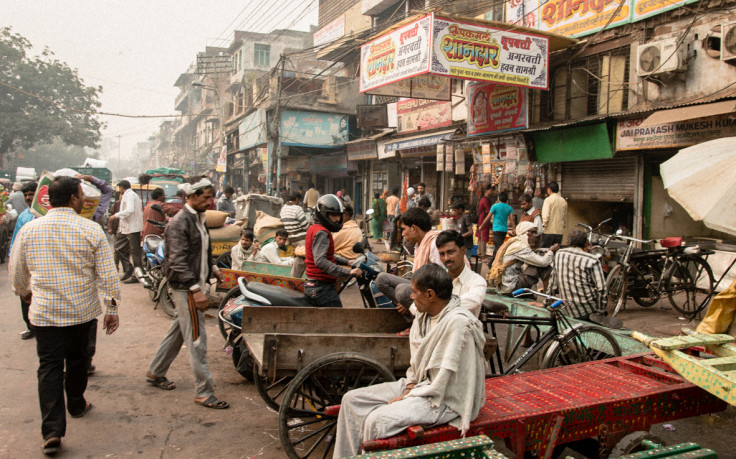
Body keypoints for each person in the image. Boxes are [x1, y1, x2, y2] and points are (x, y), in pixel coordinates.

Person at [9, 176, 120, 456]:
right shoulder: (91, 230)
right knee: (78, 360)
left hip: (44, 314)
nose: (84, 199)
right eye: (82, 194)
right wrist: (112, 309)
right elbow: (108, 275)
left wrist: (23, 291)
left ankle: (52, 431)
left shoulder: (30, 229)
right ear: (73, 198)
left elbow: (17, 269)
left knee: (49, 368)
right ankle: (76, 403)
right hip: (81, 312)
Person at [333, 264, 486, 458]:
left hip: (445, 398)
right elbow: (417, 363)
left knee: (376, 420)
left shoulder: (458, 324)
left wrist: (407, 397)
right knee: (351, 400)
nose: (411, 297)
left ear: (429, 294)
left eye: (414, 292)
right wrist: (409, 388)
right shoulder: (424, 314)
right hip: (421, 385)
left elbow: (441, 383)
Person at [146, 178, 229, 410]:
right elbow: (177, 260)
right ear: (190, 197)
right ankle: (204, 392)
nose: (210, 201)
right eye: (205, 197)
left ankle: (155, 371)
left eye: (211, 197)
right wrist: (195, 289)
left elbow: (201, 249)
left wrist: (213, 268)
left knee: (179, 331)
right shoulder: (180, 222)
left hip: (193, 283)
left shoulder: (198, 219)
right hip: (185, 287)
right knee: (196, 339)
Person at [376, 207, 442, 310]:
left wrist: (415, 297)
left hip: (433, 292)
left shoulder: (434, 244)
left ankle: (415, 311)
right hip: (421, 286)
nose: (402, 234)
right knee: (381, 279)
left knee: (402, 290)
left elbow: (440, 281)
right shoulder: (419, 245)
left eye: (404, 229)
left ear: (414, 229)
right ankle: (409, 307)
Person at [304, 194, 362, 308]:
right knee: (337, 320)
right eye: (333, 215)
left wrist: (347, 262)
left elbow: (327, 255)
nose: (337, 219)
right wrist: (348, 272)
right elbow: (320, 261)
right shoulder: (322, 233)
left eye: (339, 216)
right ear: (323, 214)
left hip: (315, 284)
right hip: (321, 288)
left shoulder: (314, 228)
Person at [488, 221, 559, 295]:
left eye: (535, 233)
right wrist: (551, 251)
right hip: (510, 287)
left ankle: (549, 292)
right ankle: (548, 295)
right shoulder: (521, 246)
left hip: (505, 285)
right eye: (532, 232)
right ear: (525, 233)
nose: (535, 235)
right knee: (542, 266)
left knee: (538, 263)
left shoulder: (514, 242)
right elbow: (543, 262)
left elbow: (530, 254)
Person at [548, 229, 606, 320]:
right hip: (587, 310)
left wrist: (546, 302)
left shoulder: (559, 254)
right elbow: (602, 289)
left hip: (566, 308)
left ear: (567, 243)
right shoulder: (592, 259)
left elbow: (553, 284)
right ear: (586, 244)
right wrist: (600, 311)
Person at [433, 230, 487, 317]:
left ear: (463, 250)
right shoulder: (436, 279)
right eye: (442, 254)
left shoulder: (477, 282)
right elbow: (416, 306)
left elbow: (470, 302)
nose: (446, 258)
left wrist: (433, 307)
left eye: (450, 252)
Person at [9, 181, 37, 340]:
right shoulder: (24, 216)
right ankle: (30, 327)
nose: (28, 197)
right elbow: (15, 239)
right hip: (24, 262)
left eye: (31, 194)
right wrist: (12, 259)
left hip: (40, 262)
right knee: (24, 294)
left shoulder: (46, 214)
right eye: (26, 195)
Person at [111, 180, 143, 283]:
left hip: (133, 228)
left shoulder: (130, 195)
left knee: (135, 253)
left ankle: (137, 275)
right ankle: (129, 268)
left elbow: (130, 210)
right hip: (125, 228)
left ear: (121, 187)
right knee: (118, 248)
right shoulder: (129, 195)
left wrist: (115, 216)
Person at [479, 191, 514, 266]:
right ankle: (492, 264)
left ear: (499, 198)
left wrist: (481, 226)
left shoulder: (495, 206)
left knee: (499, 248)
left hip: (496, 229)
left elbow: (488, 217)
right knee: (498, 247)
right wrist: (514, 229)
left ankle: (496, 265)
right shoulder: (509, 208)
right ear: (507, 200)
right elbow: (512, 220)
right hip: (504, 230)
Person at [541, 181, 567, 248]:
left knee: (546, 251)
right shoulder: (563, 201)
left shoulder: (548, 200)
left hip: (548, 231)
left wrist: (544, 225)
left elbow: (545, 215)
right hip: (559, 232)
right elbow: (565, 217)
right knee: (556, 250)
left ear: (549, 189)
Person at [476, 184, 495, 258]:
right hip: (483, 220)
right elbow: (489, 210)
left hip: (483, 220)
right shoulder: (485, 200)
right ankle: (482, 255)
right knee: (483, 238)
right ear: (486, 191)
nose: (493, 192)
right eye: (491, 190)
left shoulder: (485, 199)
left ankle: (480, 253)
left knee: (481, 238)